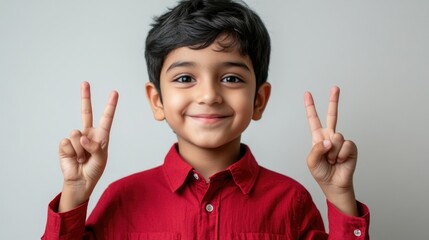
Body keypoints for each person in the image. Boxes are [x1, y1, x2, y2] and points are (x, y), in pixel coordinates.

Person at [42, 0, 370, 239]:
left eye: (231, 79)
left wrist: (339, 194)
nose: (209, 95)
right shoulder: (122, 198)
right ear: (157, 101)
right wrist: (75, 190)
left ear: (259, 101)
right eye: (185, 78)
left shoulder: (291, 201)